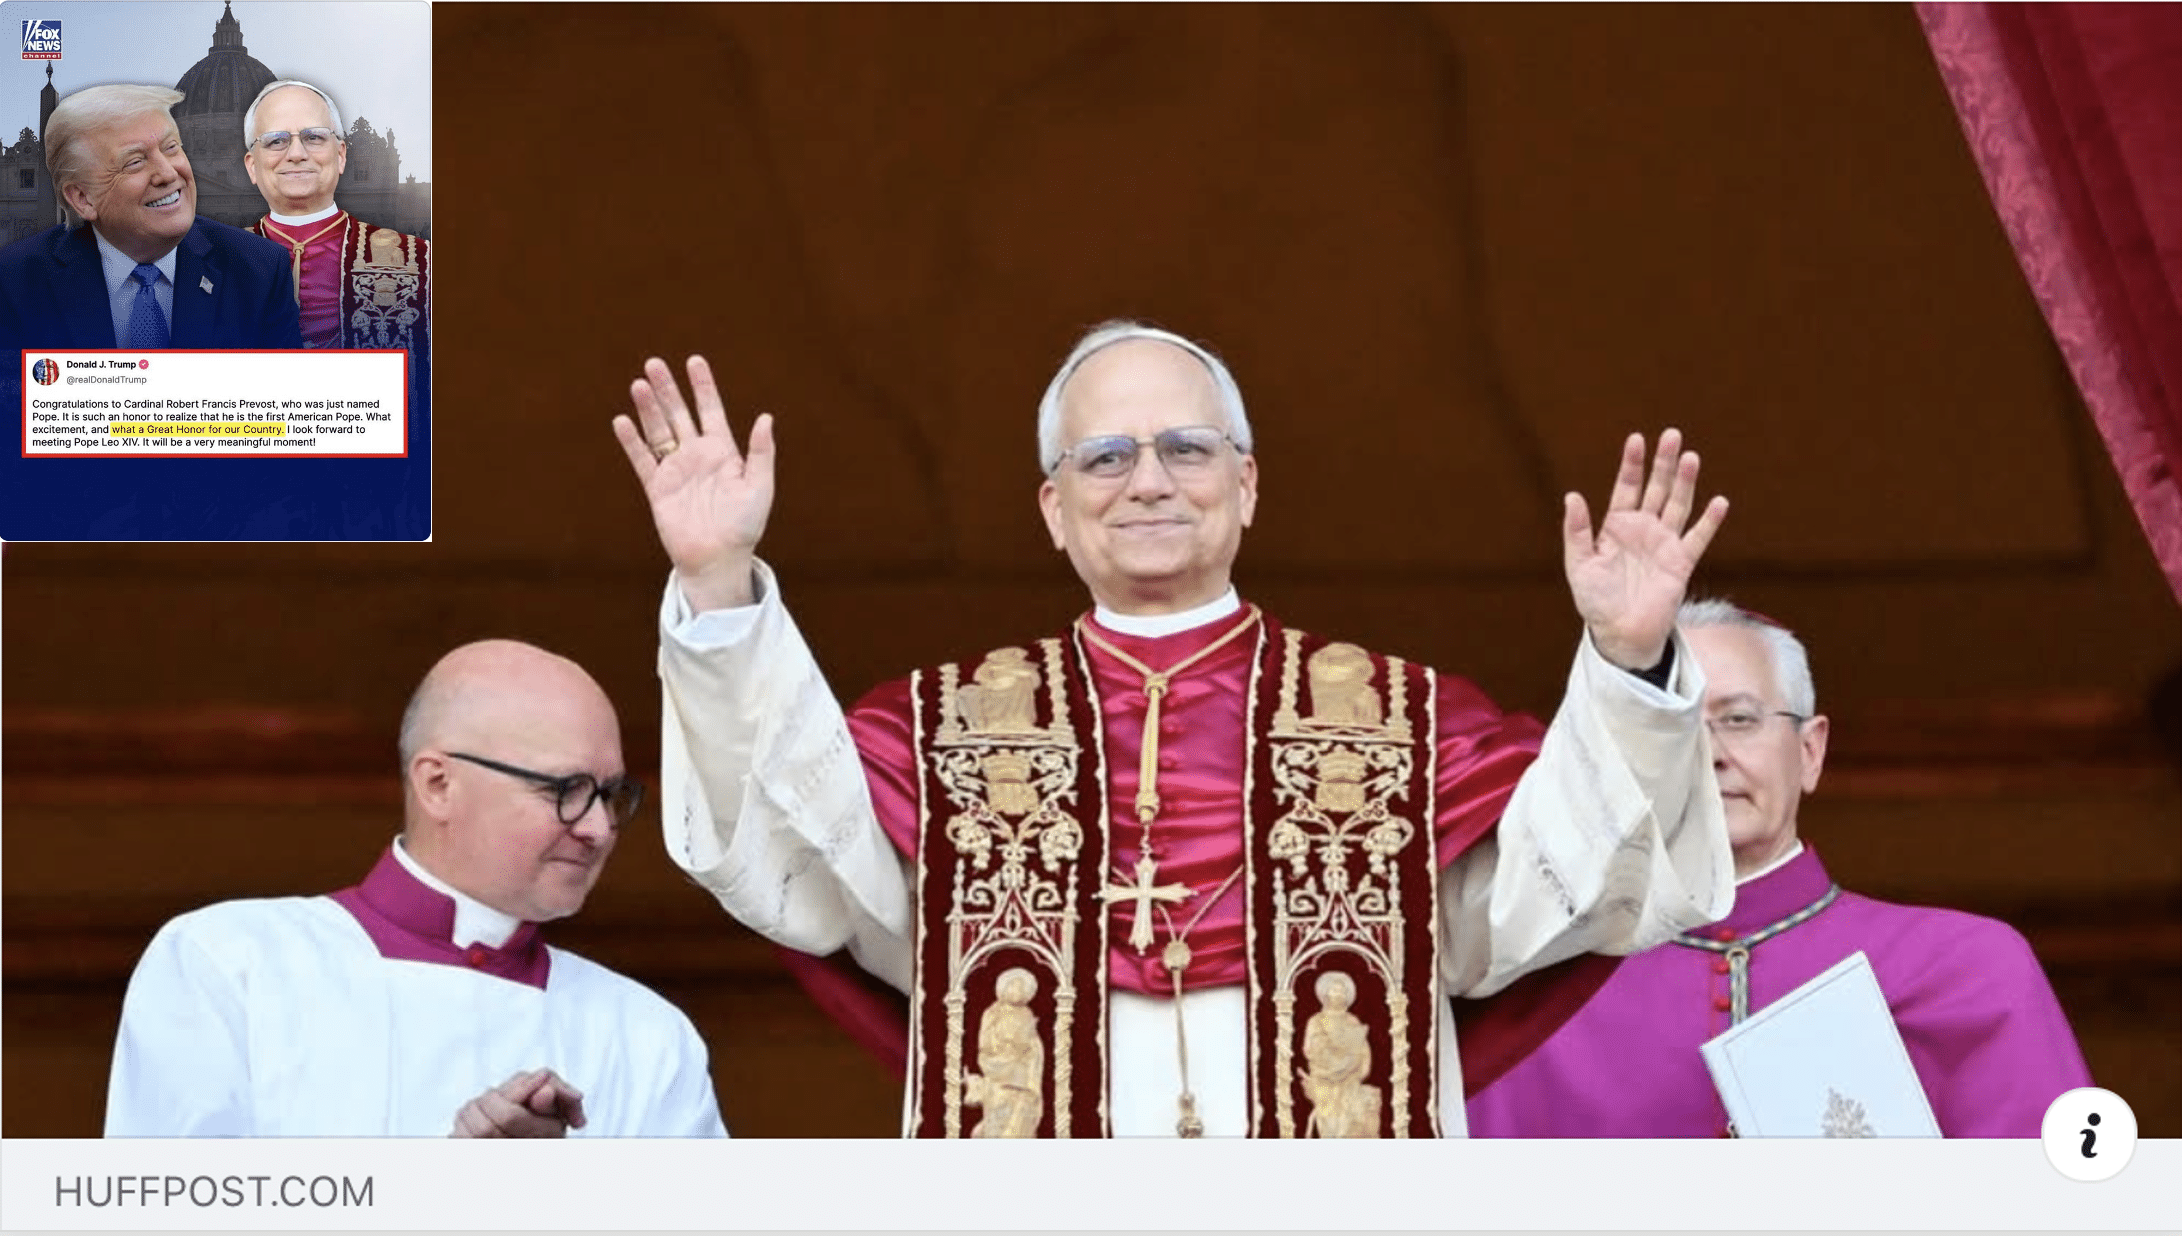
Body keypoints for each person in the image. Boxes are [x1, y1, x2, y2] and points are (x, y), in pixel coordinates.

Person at [614, 319, 1738, 1137]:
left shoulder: (1401, 725)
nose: (1147, 481)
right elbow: (795, 862)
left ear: (1247, 485)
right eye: (1105, 457)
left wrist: (1630, 662)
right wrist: (719, 584)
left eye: (1185, 449)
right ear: (1053, 510)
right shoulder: (944, 733)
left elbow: (1557, 894)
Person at [1465, 599, 2094, 1137]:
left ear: (1811, 750)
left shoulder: (1965, 967)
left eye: (1738, 719)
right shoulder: (1533, 993)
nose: (1711, 754)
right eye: (1675, 728)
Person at [104, 640, 728, 1138]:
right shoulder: (228, 964)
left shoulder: (648, 1037)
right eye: (564, 790)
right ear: (437, 785)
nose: (597, 828)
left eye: (610, 795)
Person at [0, 84, 301, 354]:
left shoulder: (259, 270)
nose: (169, 173)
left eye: (172, 147)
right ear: (82, 198)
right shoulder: (15, 282)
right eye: (135, 162)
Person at [239, 80, 429, 391]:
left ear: (341, 155)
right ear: (251, 165)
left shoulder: (421, 262)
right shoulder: (206, 262)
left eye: (314, 137)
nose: (296, 154)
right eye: (276, 141)